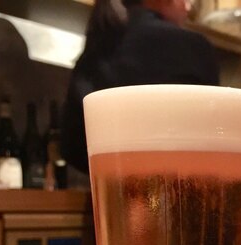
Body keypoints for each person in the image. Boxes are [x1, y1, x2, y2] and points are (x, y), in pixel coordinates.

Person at [62, 0, 219, 173]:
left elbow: (71, 147)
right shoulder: (193, 47)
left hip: (110, 186)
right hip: (183, 187)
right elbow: (214, 141)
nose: (188, 7)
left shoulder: (94, 52)